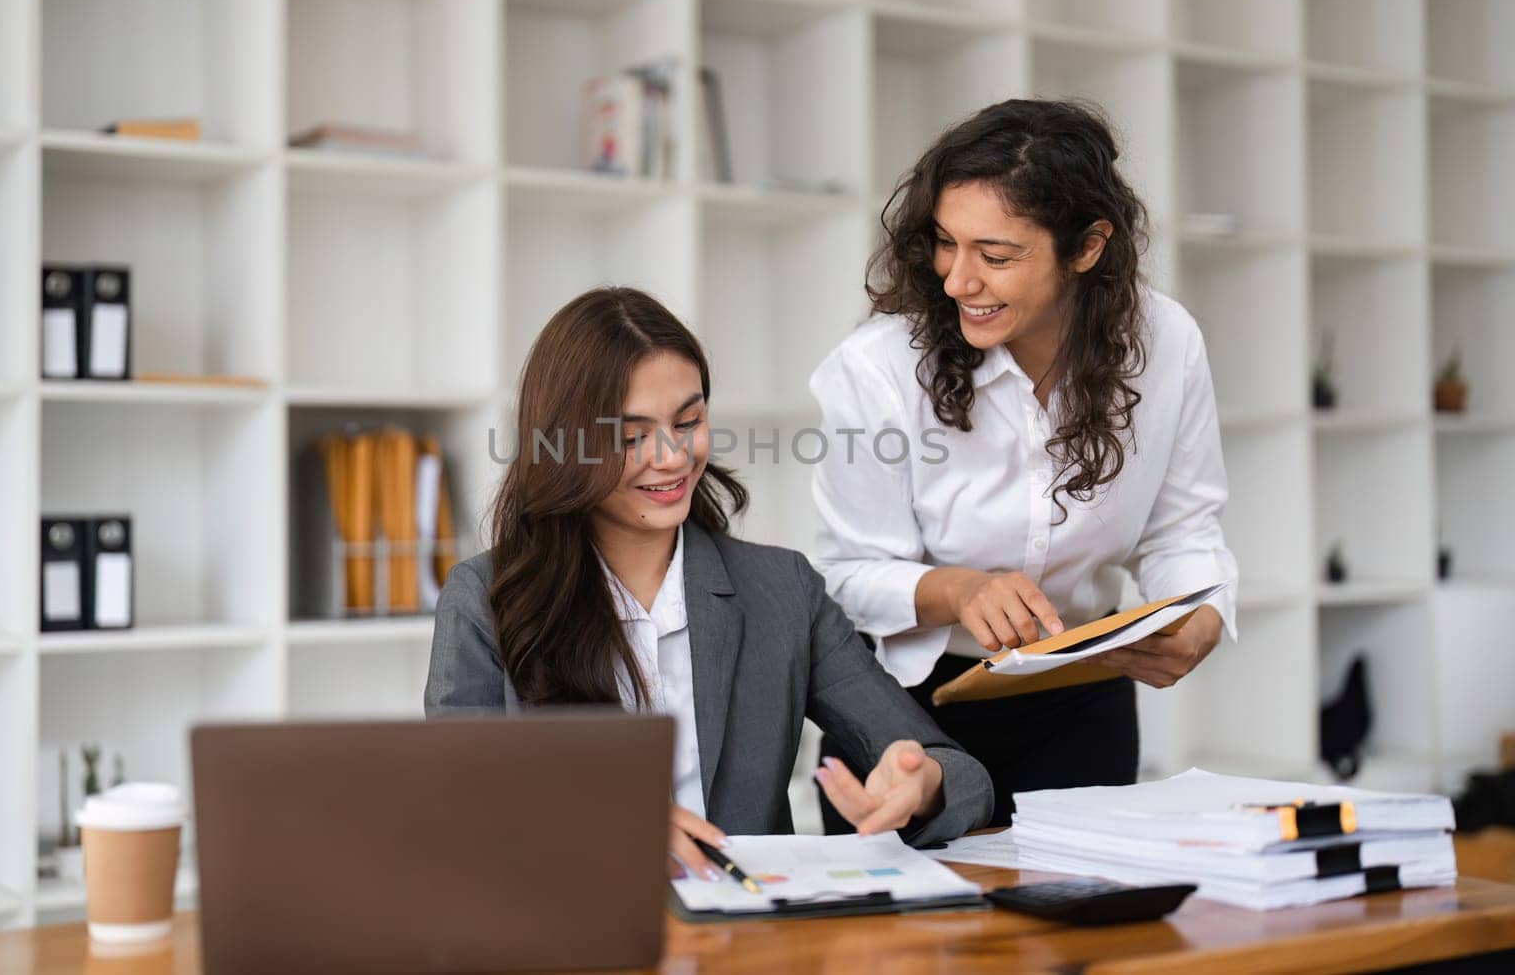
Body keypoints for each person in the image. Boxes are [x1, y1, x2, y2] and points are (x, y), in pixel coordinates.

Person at [426, 287, 990, 881]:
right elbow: (457, 810)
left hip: (746, 935)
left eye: (688, 421)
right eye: (630, 435)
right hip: (573, 931)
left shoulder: (781, 589)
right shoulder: (485, 597)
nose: (671, 458)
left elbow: (956, 771)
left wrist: (922, 782)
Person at [811, 99, 1239, 829]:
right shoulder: (879, 367)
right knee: (908, 941)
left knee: (1075, 933)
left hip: (1082, 705)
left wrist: (1201, 610)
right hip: (907, 715)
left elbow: (1181, 530)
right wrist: (958, 590)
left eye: (996, 255)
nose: (956, 281)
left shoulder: (1165, 342)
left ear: (1087, 246)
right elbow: (847, 578)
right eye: (946, 243)